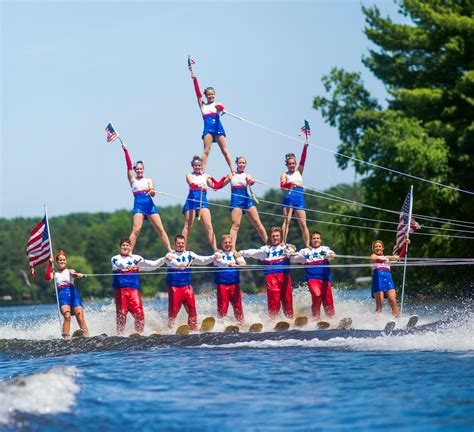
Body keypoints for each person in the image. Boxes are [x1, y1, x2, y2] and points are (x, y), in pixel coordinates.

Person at [121, 143, 172, 252]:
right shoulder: (132, 180)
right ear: (135, 170)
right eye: (137, 169)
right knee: (136, 230)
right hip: (139, 206)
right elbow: (128, 166)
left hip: (150, 206)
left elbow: (153, 194)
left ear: (143, 169)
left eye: (141, 169)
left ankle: (169, 249)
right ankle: (128, 252)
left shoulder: (148, 180)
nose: (139, 171)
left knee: (160, 228)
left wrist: (151, 191)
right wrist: (126, 151)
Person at [158, 235, 214, 331]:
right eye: (179, 243)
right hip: (174, 288)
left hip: (187, 288)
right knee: (173, 312)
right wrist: (179, 265)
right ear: (175, 244)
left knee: (192, 310)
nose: (181, 245)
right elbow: (171, 262)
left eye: (182, 243)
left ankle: (193, 329)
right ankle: (170, 330)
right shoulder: (170, 255)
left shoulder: (190, 254)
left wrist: (213, 257)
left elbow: (203, 260)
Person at [111, 237, 164, 335]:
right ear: (120, 247)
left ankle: (138, 334)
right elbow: (119, 264)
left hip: (134, 291)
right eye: (123, 245)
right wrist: (126, 266)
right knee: (121, 314)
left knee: (139, 313)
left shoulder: (136, 258)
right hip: (121, 291)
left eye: (127, 245)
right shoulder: (115, 258)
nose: (125, 247)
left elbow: (152, 265)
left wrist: (164, 259)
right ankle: (120, 335)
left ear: (130, 247)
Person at [240, 227, 295, 319]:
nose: (275, 238)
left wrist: (292, 251)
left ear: (281, 237)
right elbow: (252, 252)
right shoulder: (265, 249)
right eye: (273, 236)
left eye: (277, 236)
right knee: (274, 299)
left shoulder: (285, 247)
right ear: (270, 237)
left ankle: (290, 319)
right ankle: (273, 319)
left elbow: (292, 248)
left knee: (287, 299)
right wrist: (240, 253)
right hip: (271, 277)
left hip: (285, 277)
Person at [217, 156, 268, 247]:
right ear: (236, 163)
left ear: (245, 164)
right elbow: (219, 186)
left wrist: (251, 181)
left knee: (258, 222)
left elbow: (250, 181)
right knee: (236, 225)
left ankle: (269, 244)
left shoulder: (247, 175)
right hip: (236, 200)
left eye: (243, 163)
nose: (241, 164)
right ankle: (232, 249)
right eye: (240, 163)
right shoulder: (231, 175)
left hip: (247, 199)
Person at [190, 68, 233, 173]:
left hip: (218, 127)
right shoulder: (203, 106)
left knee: (225, 150)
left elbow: (221, 107)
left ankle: (232, 170)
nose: (211, 96)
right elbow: (198, 94)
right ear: (206, 95)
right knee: (206, 150)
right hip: (208, 128)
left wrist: (222, 109)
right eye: (208, 94)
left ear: (214, 94)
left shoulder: (217, 104)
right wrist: (195, 80)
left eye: (212, 94)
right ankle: (202, 171)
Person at [181, 155, 225, 251]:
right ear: (193, 166)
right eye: (196, 165)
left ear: (201, 166)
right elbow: (191, 184)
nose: (197, 167)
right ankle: (182, 248)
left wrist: (224, 179)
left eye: (199, 165)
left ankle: (215, 248)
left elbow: (215, 187)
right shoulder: (189, 175)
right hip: (192, 201)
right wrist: (197, 185)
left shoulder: (205, 176)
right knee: (188, 226)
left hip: (203, 201)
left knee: (208, 226)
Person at [292, 231, 336, 320]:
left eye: (318, 238)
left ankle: (331, 319)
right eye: (314, 238)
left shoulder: (325, 249)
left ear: (320, 240)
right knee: (317, 295)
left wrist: (331, 254)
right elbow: (294, 259)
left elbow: (331, 254)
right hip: (312, 279)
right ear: (310, 240)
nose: (316, 240)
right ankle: (316, 318)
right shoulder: (304, 251)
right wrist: (293, 254)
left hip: (325, 279)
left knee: (327, 300)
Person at [46, 250, 90, 339]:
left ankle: (88, 336)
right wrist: (50, 264)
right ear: (57, 262)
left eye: (64, 260)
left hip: (74, 295)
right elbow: (47, 278)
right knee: (67, 316)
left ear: (66, 261)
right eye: (60, 260)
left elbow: (74, 274)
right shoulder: (55, 273)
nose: (62, 261)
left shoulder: (70, 270)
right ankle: (66, 338)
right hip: (63, 296)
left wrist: (78, 275)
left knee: (80, 318)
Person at [280, 142, 310, 246]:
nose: (292, 165)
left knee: (303, 223)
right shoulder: (284, 174)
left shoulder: (299, 171)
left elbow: (303, 160)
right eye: (290, 164)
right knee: (286, 221)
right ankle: (283, 242)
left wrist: (304, 147)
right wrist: (289, 184)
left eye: (293, 163)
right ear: (287, 165)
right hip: (289, 197)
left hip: (299, 198)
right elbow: (282, 185)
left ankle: (307, 244)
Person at [370, 239, 409, 318]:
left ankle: (398, 320)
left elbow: (400, 257)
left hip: (388, 280)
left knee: (393, 301)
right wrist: (387, 259)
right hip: (378, 281)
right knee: (380, 303)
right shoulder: (373, 256)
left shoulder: (387, 257)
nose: (378, 248)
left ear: (382, 248)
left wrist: (405, 245)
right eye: (376, 247)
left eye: (379, 246)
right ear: (373, 249)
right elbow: (378, 259)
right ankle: (377, 322)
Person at [213, 234, 246, 323]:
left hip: (235, 285)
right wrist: (230, 264)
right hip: (222, 285)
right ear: (222, 244)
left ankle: (241, 323)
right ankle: (221, 324)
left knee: (238, 306)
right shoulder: (218, 254)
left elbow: (243, 262)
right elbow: (219, 262)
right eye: (225, 243)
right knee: (223, 306)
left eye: (229, 242)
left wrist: (241, 263)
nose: (227, 244)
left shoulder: (235, 254)